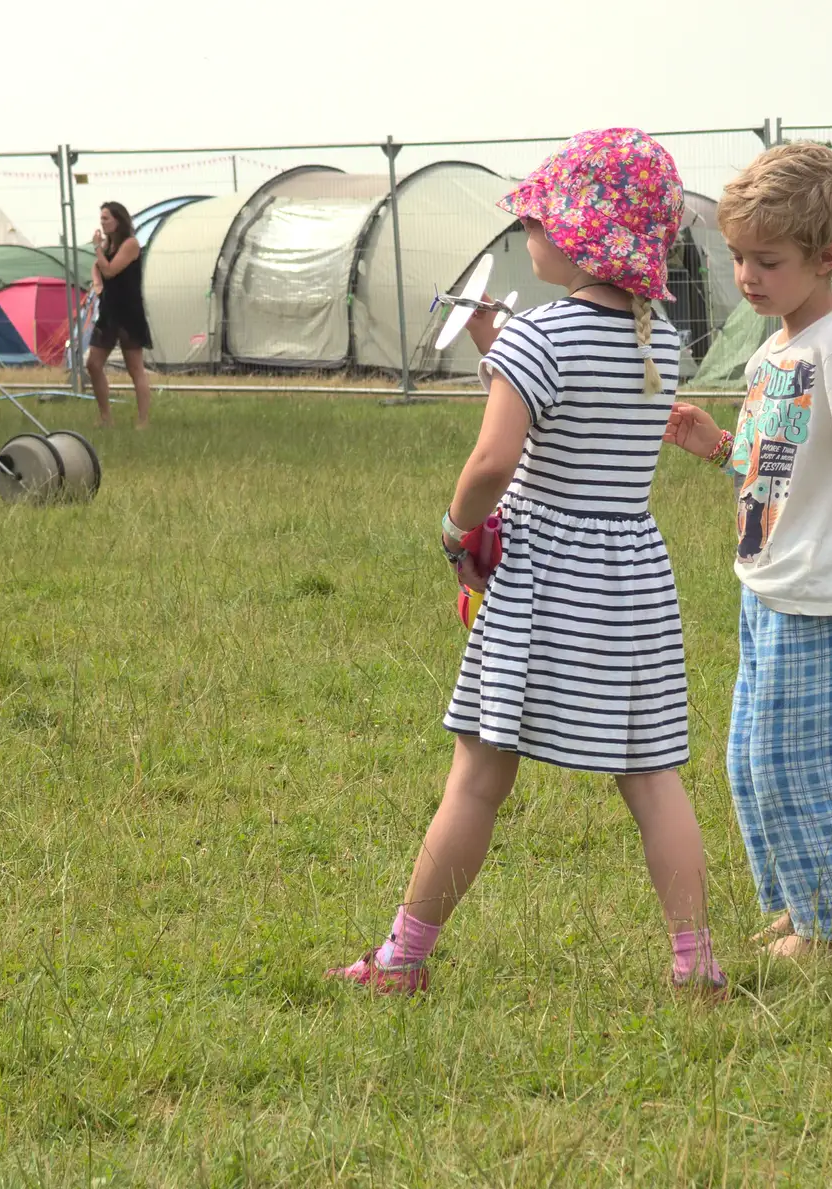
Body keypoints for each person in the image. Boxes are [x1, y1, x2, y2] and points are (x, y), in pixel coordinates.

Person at [326, 129, 727, 996]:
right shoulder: (661, 344)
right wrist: (492, 349)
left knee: (477, 775)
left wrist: (452, 528)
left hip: (543, 579)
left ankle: (402, 956)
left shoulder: (536, 338)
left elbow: (492, 466)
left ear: (581, 237)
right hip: (632, 580)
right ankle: (696, 962)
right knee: (653, 777)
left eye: (539, 218)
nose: (529, 232)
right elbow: (584, 424)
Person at [663, 142, 832, 958]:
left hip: (818, 594)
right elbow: (777, 468)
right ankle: (801, 902)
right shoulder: (774, 351)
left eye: (767, 260)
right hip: (767, 587)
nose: (747, 274)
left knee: (801, 763)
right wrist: (718, 449)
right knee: (750, 757)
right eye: (739, 256)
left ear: (828, 258)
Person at [86, 201, 154, 429]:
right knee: (93, 364)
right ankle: (106, 417)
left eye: (106, 218)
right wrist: (97, 286)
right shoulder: (107, 245)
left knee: (135, 368)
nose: (102, 223)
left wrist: (97, 248)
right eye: (101, 218)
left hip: (128, 312)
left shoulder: (130, 244)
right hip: (109, 311)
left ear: (118, 220)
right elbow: (98, 268)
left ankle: (143, 420)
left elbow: (110, 269)